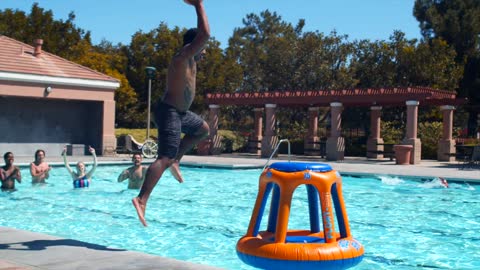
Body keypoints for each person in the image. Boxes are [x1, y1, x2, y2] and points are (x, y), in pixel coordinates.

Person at [132, 0, 210, 226]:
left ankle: (176, 159)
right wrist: (198, 5)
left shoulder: (191, 61)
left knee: (203, 129)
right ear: (194, 46)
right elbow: (204, 34)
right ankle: (141, 199)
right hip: (169, 112)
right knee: (163, 157)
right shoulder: (182, 57)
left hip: (181, 113)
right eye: (202, 49)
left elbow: (201, 37)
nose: (204, 53)